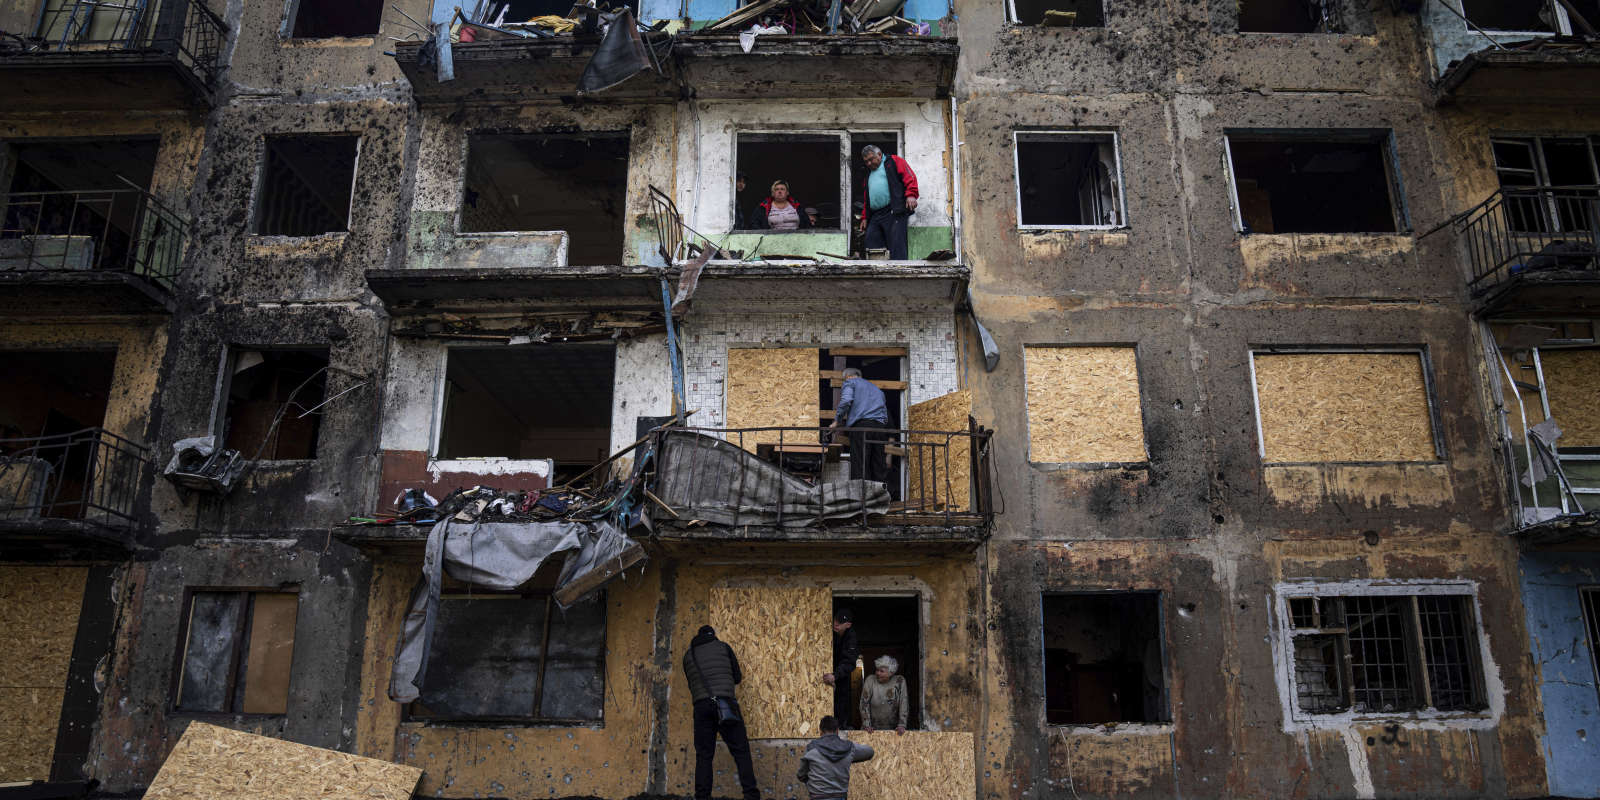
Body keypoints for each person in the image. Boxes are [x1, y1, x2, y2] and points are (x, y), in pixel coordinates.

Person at [683, 625, 761, 800]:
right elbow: (737, 677)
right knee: (741, 751)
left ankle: (702, 797)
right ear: (713, 636)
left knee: (704, 755)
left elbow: (692, 685)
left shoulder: (688, 656)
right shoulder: (723, 647)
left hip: (701, 707)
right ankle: (751, 795)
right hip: (725, 704)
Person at [829, 367, 891, 485]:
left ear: (848, 376)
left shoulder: (850, 382)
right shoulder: (876, 389)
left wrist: (837, 421)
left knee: (860, 462)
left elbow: (846, 400)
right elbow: (884, 411)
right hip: (879, 428)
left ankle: (861, 493)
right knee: (878, 462)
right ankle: (879, 492)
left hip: (862, 427)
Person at [857, 145, 918, 260]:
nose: (869, 163)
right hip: (875, 214)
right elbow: (867, 197)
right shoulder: (868, 173)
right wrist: (865, 217)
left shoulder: (894, 161)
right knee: (871, 242)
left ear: (879, 155)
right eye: (866, 161)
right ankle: (876, 269)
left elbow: (909, 176)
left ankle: (900, 270)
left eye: (871, 159)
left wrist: (911, 194)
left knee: (896, 245)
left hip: (893, 210)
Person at [797, 715, 874, 800]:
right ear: (837, 731)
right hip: (840, 797)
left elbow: (801, 775)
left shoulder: (811, 748)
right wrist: (849, 756)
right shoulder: (848, 748)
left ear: (820, 731)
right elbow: (870, 752)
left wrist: (814, 784)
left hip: (817, 797)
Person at [821, 609, 859, 727]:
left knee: (841, 703)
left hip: (841, 676)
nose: (836, 624)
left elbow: (850, 662)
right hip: (828, 671)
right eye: (835, 621)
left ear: (848, 625)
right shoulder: (829, 631)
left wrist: (835, 675)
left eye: (840, 623)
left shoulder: (851, 638)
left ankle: (840, 726)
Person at [858, 655, 909, 735]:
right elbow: (864, 703)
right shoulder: (870, 680)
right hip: (871, 729)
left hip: (893, 729)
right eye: (877, 670)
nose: (878, 673)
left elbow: (904, 703)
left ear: (891, 673)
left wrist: (902, 725)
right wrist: (867, 724)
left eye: (882, 671)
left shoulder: (899, 681)